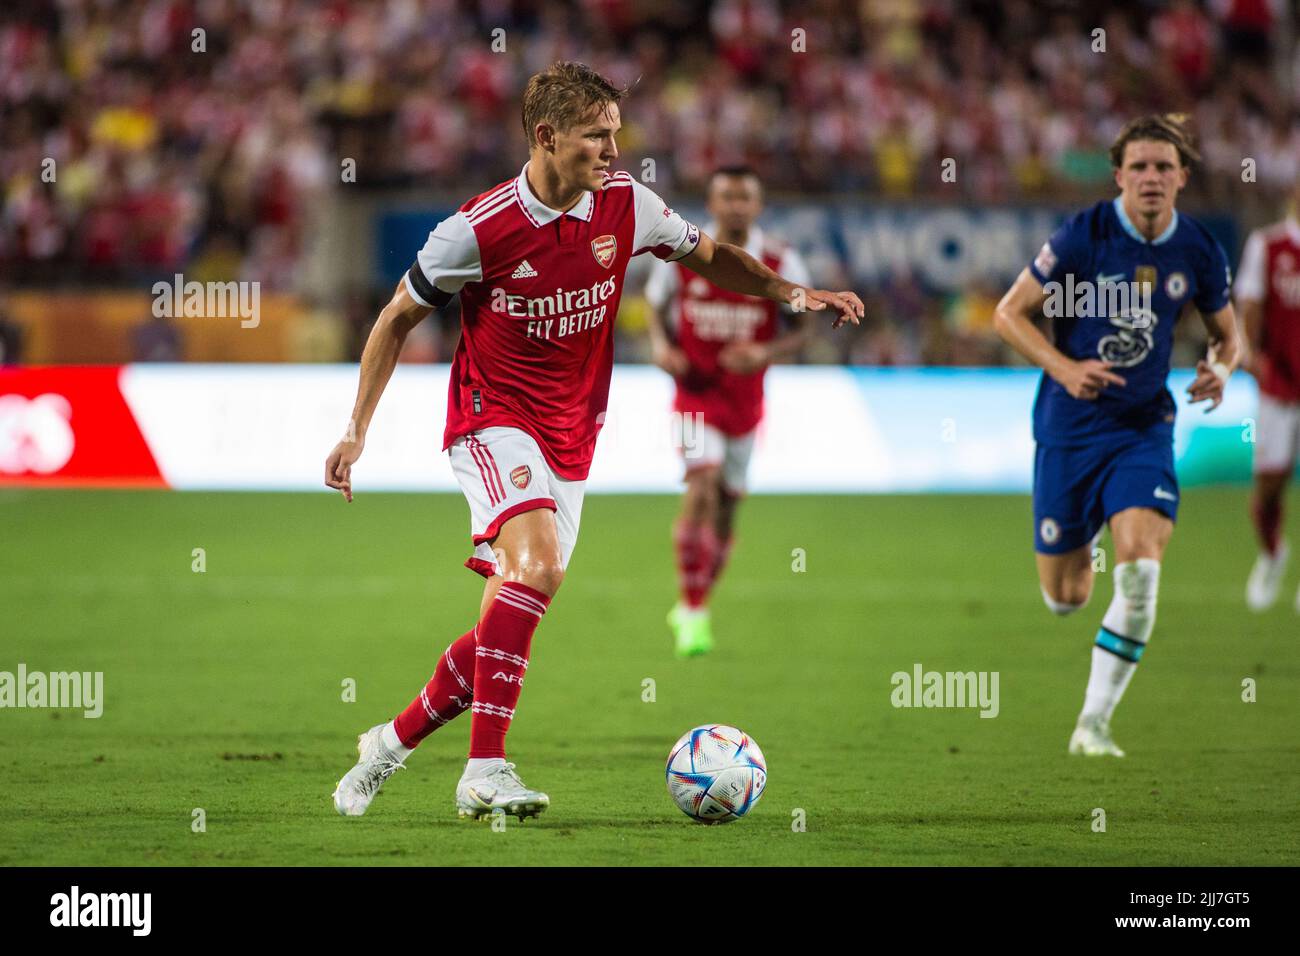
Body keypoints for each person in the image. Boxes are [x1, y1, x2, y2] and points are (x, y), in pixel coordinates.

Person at [326, 62, 863, 819]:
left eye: (617, 133)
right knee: (537, 567)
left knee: (509, 610)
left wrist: (789, 292)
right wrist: (355, 432)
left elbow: (712, 257)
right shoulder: (476, 230)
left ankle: (388, 744)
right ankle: (484, 770)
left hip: (572, 436)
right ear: (546, 137)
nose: (614, 150)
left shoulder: (630, 207)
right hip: (491, 418)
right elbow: (394, 318)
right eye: (596, 136)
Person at [993, 114, 1241, 757]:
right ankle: (1096, 523)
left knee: (1138, 576)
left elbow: (1227, 332)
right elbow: (1008, 314)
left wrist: (1221, 367)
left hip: (1142, 428)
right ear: (1119, 176)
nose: (1152, 178)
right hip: (1069, 429)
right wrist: (1066, 367)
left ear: (1183, 176)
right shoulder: (1085, 234)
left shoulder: (1200, 249)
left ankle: (1092, 725)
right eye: (1139, 167)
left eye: (1164, 167)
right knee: (1067, 598)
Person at [644, 166, 814, 656]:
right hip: (694, 395)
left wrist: (765, 354)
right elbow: (654, 309)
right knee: (701, 484)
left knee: (728, 507)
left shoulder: (782, 261)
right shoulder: (682, 255)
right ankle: (692, 607)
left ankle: (698, 600)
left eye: (746, 197)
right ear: (712, 204)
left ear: (757, 207)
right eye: (727, 197)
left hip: (746, 404)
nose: (737, 206)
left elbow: (804, 328)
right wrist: (660, 346)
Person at [1234, 179, 1300, 612]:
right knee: (1270, 483)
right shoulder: (1268, 246)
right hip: (1279, 383)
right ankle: (1273, 552)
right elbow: (1249, 306)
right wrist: (1249, 354)